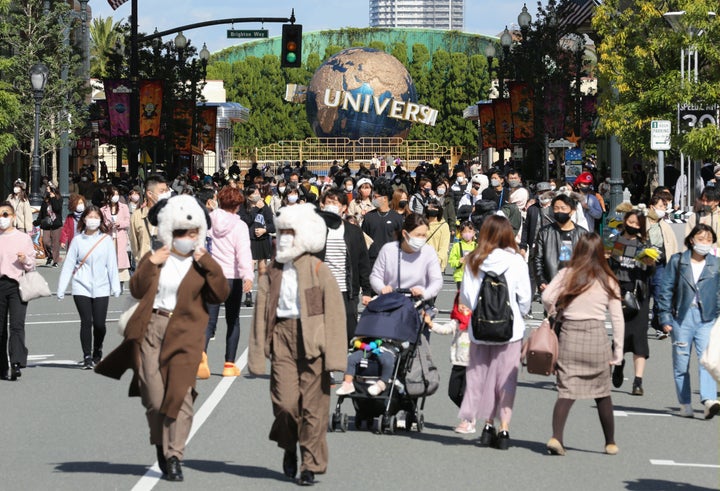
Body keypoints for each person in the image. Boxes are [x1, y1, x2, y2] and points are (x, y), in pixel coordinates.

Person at [95, 195, 230, 482]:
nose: (187, 238)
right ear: (169, 231)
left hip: (186, 332)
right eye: (181, 232)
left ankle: (174, 456)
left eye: (193, 232)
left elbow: (220, 293)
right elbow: (136, 288)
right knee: (155, 399)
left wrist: (207, 261)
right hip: (152, 327)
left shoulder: (202, 262)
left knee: (181, 397)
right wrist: (150, 263)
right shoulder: (156, 257)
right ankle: (160, 443)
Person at [248, 203, 347, 486]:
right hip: (282, 338)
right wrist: (257, 354)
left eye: (291, 232)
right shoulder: (272, 272)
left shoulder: (318, 269)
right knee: (285, 404)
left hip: (314, 344)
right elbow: (260, 314)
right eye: (282, 232)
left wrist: (337, 357)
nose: (285, 238)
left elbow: (336, 314)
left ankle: (310, 465)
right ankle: (289, 446)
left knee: (314, 410)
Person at [541, 233, 624, 456]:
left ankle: (556, 437)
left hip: (570, 335)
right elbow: (617, 318)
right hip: (596, 336)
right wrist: (618, 351)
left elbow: (547, 296)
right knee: (602, 392)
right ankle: (610, 442)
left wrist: (555, 309)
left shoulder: (567, 274)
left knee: (566, 390)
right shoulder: (608, 279)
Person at [458, 215, 532, 450]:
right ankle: (504, 428)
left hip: (480, 328)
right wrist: (517, 314)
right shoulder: (516, 261)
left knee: (483, 377)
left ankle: (487, 424)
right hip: (510, 330)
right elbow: (525, 297)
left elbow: (468, 298)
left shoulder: (473, 260)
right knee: (505, 379)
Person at [656, 224, 720, 419]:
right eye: (701, 239)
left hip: (707, 318)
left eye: (708, 240)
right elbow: (665, 290)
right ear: (692, 240)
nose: (705, 243)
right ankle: (685, 403)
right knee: (681, 363)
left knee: (706, 360)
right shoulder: (678, 261)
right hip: (682, 317)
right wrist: (665, 317)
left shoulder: (715, 264)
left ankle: (709, 401)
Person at [197, 186, 253, 379]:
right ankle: (229, 365)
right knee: (233, 320)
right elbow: (243, 252)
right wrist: (248, 275)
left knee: (208, 320)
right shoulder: (240, 226)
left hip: (212, 275)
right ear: (237, 205)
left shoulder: (208, 222)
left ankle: (202, 357)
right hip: (233, 277)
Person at [57, 206, 121, 369]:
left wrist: (115, 286)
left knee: (99, 324)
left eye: (96, 217)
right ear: (84, 219)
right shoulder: (78, 240)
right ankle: (86, 356)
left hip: (101, 287)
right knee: (86, 321)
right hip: (81, 286)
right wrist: (61, 288)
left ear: (100, 220)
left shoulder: (106, 240)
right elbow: (69, 264)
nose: (92, 220)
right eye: (89, 217)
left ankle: (97, 351)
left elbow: (112, 264)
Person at [608, 210, 656, 396]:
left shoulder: (644, 244)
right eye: (631, 221)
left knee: (639, 337)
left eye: (637, 224)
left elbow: (649, 274)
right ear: (625, 221)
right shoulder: (613, 240)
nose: (633, 226)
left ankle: (638, 381)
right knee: (620, 335)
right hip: (618, 290)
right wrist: (609, 259)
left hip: (639, 292)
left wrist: (649, 264)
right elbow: (606, 268)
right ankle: (618, 364)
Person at [316, 189, 372, 342]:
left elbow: (363, 262)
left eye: (335, 203)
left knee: (349, 335)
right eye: (328, 203)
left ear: (344, 208)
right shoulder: (314, 230)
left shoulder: (353, 231)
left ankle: (346, 364)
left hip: (346, 291)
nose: (331, 206)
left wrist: (367, 290)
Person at [369, 213, 443, 304]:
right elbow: (375, 276)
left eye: (424, 235)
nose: (421, 239)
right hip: (391, 303)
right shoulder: (388, 250)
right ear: (405, 233)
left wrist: (424, 293)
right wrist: (382, 288)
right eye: (418, 235)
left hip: (419, 304)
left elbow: (437, 281)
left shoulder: (429, 252)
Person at [0, 202, 36, 381]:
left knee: (16, 325)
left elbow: (32, 264)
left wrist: (25, 260)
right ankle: (1, 365)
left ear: (13, 217)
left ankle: (16, 362)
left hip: (17, 284)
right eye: (0, 215)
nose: (2, 218)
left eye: (5, 215)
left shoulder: (23, 238)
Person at [427, 293, 473, 432]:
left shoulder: (475, 322)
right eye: (460, 304)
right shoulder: (457, 322)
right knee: (453, 393)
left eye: (466, 304)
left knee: (466, 393)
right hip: (458, 362)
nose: (463, 307)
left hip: (472, 364)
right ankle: (469, 414)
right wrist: (430, 324)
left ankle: (468, 420)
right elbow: (444, 329)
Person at [533, 194, 587, 294]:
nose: (559, 211)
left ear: (572, 211)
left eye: (563, 208)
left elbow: (587, 261)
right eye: (556, 208)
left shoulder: (582, 234)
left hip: (575, 286)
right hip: (551, 284)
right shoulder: (544, 233)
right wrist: (541, 280)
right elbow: (537, 259)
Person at [646, 195, 679, 340]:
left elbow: (673, 246)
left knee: (660, 294)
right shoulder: (642, 221)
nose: (663, 209)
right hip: (643, 264)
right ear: (652, 206)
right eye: (660, 206)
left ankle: (659, 325)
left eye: (664, 207)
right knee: (644, 295)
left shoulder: (665, 225)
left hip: (660, 265)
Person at [240, 185, 275, 307]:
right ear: (248, 196)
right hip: (249, 240)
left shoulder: (265, 206)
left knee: (262, 268)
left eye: (258, 192)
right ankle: (248, 294)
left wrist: (264, 230)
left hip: (262, 240)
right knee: (249, 267)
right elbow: (245, 221)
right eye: (253, 192)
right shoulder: (243, 207)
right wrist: (255, 209)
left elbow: (272, 225)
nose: (257, 194)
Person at [362, 179, 404, 268]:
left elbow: (402, 240)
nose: (373, 199)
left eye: (376, 197)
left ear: (384, 198)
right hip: (372, 260)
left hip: (391, 260)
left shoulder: (397, 218)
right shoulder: (368, 217)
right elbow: (363, 239)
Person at [129, 175, 170, 263]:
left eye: (166, 191)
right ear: (149, 194)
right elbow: (134, 245)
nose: (166, 194)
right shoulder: (137, 216)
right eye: (162, 191)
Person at [100, 186, 132, 284]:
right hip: (109, 236)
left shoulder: (124, 207)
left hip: (121, 236)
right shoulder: (103, 209)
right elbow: (101, 223)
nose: (115, 197)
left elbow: (128, 221)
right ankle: (109, 280)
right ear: (109, 196)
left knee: (120, 259)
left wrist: (119, 224)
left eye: (117, 194)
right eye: (113, 195)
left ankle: (121, 281)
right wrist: (108, 225)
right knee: (109, 259)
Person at [684, 186, 720, 253]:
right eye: (703, 200)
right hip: (698, 257)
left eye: (708, 201)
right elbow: (687, 240)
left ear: (717, 202)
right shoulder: (695, 217)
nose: (705, 203)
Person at [36, 182, 63, 267]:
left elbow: (57, 208)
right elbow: (42, 212)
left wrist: (53, 198)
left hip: (56, 224)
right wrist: (38, 220)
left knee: (55, 243)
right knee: (46, 241)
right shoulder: (45, 200)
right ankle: (50, 255)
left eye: (48, 189)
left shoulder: (58, 198)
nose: (47, 191)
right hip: (46, 224)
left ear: (53, 190)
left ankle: (55, 261)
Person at [448, 221, 477, 290]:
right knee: (461, 298)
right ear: (461, 233)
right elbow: (451, 261)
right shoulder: (457, 246)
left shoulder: (477, 246)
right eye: (465, 231)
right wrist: (459, 261)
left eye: (470, 231)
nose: (467, 234)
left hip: (473, 277)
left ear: (474, 233)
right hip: (460, 276)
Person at [425, 198, 451, 272]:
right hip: (422, 262)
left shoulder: (444, 226)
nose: (432, 209)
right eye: (430, 207)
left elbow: (444, 247)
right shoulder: (421, 223)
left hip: (437, 263)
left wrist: (438, 259)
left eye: (435, 207)